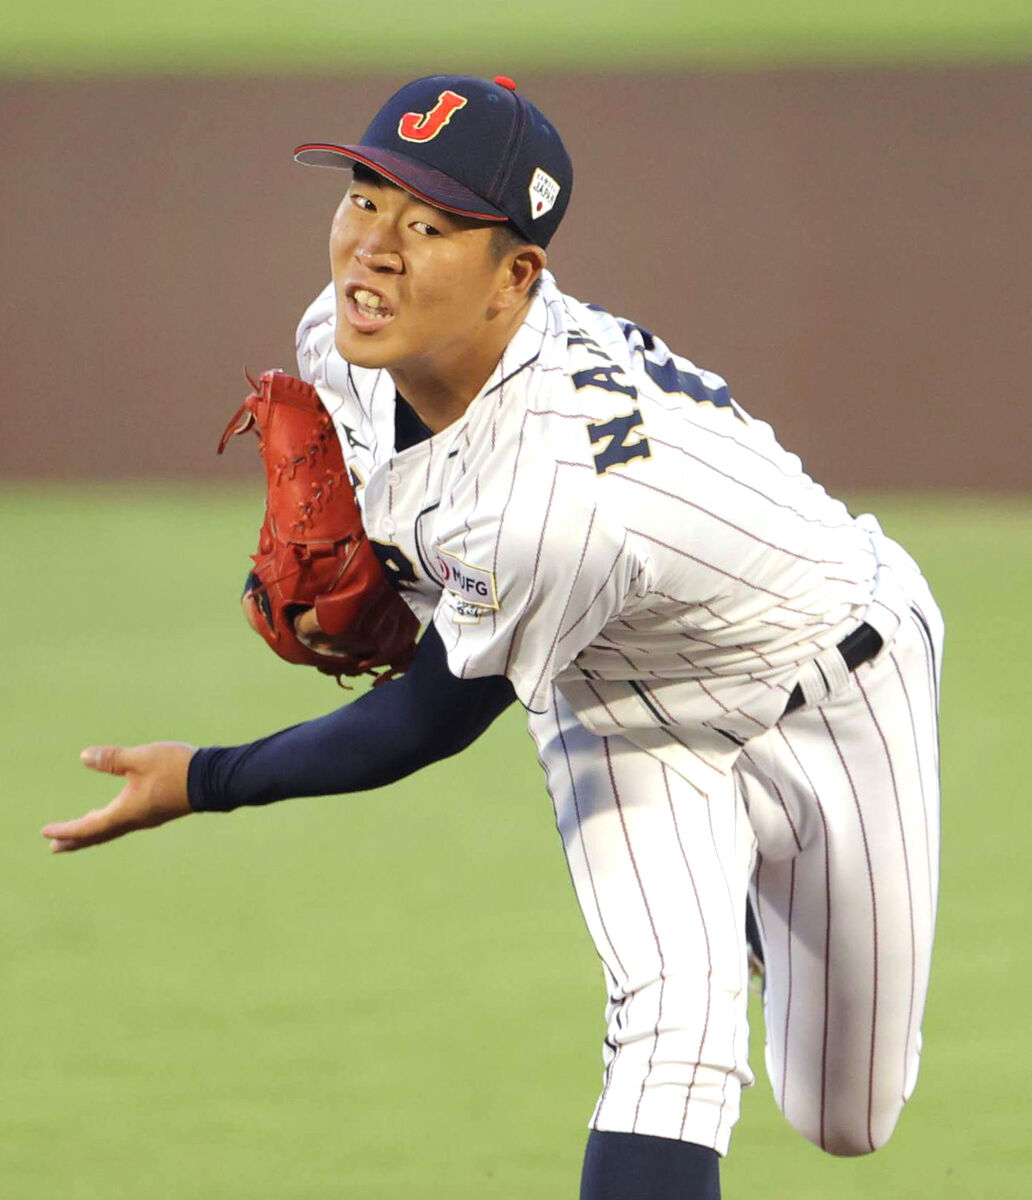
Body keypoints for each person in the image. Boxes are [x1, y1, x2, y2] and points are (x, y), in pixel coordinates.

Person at [42, 75, 943, 1199]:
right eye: (364, 199)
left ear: (518, 276)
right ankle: (725, 913)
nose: (373, 247)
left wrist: (205, 780)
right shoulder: (340, 339)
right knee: (673, 1043)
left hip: (836, 674)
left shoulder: (557, 495)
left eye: (426, 226)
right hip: (612, 702)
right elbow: (392, 524)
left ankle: (763, 896)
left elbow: (425, 716)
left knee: (844, 1117)